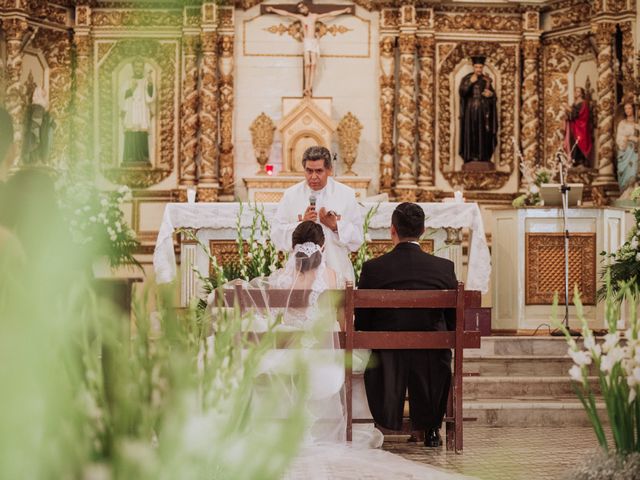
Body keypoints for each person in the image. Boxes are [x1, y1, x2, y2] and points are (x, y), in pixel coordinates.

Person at [217, 221, 468, 479]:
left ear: (292, 249)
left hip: (285, 359)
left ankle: (271, 427)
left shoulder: (281, 277)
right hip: (323, 366)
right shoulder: (332, 278)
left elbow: (272, 320)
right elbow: (343, 325)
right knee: (356, 358)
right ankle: (338, 428)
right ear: (323, 247)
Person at [355, 202, 458, 448]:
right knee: (436, 353)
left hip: (387, 356)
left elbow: (363, 323)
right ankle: (431, 428)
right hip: (432, 356)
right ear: (423, 231)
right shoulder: (444, 268)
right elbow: (453, 321)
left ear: (392, 230)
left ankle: (384, 424)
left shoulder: (372, 269)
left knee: (383, 353)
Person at [271, 145, 363, 283]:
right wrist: (301, 225)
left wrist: (336, 226)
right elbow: (276, 235)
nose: (313, 177)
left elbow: (357, 238)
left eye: (319, 171)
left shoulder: (346, 194)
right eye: (309, 171)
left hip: (336, 269)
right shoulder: (291, 195)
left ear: (329, 170)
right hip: (301, 275)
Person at [265, 2, 351, 96]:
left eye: (303, 7)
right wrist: (273, 9)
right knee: (307, 64)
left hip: (313, 41)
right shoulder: (301, 18)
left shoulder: (314, 16)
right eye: (300, 9)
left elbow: (329, 14)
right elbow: (286, 13)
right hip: (306, 41)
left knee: (313, 64)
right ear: (300, 11)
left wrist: (344, 10)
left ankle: (309, 87)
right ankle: (306, 87)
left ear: (306, 7)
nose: (302, 10)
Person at [458, 55, 498, 164]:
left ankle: (483, 156)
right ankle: (471, 156)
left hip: (483, 111)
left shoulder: (487, 80)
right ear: (473, 67)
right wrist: (470, 82)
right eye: (476, 67)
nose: (478, 69)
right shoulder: (467, 78)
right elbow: (462, 93)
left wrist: (491, 95)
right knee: (472, 132)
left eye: (480, 67)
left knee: (484, 132)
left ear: (483, 67)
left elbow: (494, 96)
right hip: (470, 112)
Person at [120, 57, 155, 165]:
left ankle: (143, 158)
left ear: (142, 68)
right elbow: (121, 98)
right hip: (131, 112)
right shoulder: (127, 82)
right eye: (136, 67)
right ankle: (129, 158)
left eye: (140, 67)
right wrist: (131, 89)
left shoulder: (145, 81)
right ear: (133, 68)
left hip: (141, 113)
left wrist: (150, 85)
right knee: (131, 133)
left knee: (141, 133)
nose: (138, 69)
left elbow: (150, 98)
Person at [564, 86, 593, 167]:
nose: (576, 93)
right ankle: (575, 162)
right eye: (575, 91)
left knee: (580, 142)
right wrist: (567, 114)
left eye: (578, 91)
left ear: (581, 93)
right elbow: (572, 115)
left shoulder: (583, 103)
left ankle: (581, 161)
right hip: (574, 127)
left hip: (581, 128)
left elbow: (580, 115)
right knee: (574, 143)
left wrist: (569, 109)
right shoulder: (574, 103)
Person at [615, 101, 639, 198]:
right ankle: (625, 194)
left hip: (635, 151)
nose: (627, 111)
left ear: (633, 109)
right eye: (626, 109)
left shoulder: (637, 122)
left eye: (629, 108)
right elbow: (619, 138)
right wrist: (629, 138)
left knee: (634, 171)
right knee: (624, 171)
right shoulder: (622, 123)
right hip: (625, 151)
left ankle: (635, 193)